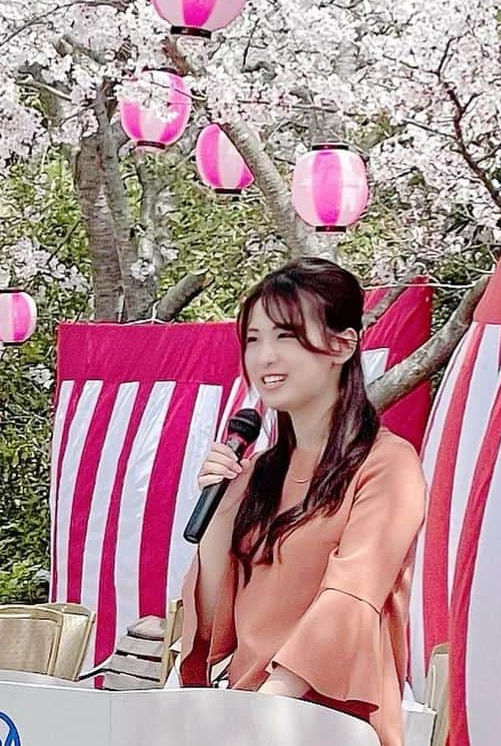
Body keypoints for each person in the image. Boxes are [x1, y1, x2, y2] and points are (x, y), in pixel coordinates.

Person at [178, 258, 428, 746]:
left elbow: (351, 596)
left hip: (329, 725)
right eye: (253, 339)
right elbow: (214, 628)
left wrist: (270, 706)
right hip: (249, 715)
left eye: (286, 336)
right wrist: (219, 520)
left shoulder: (388, 465)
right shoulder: (255, 474)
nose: (265, 356)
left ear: (343, 344)